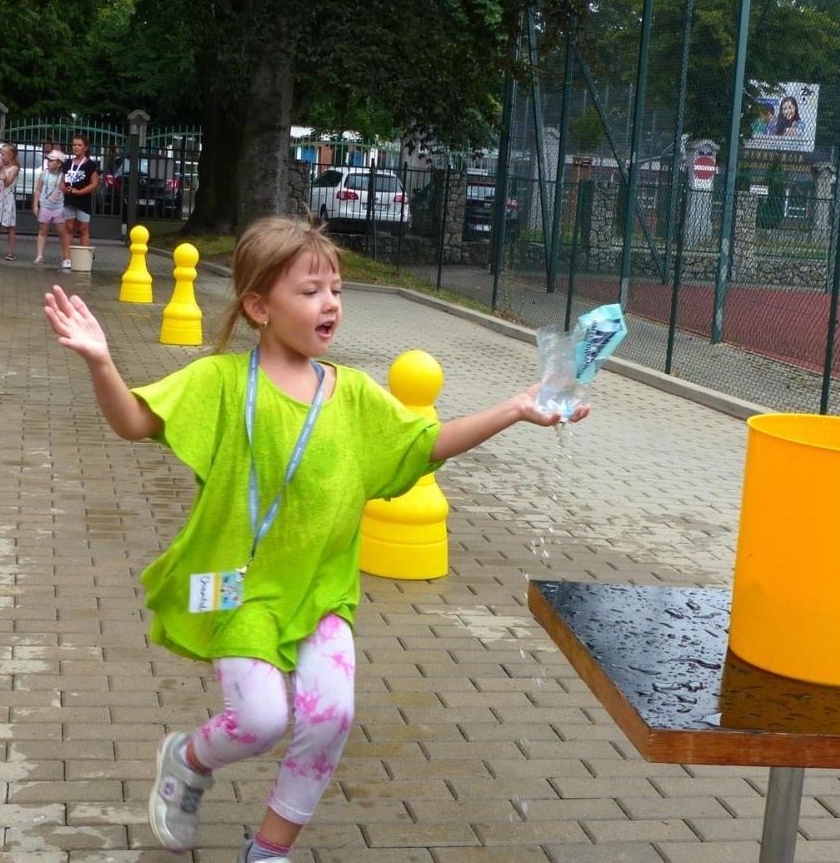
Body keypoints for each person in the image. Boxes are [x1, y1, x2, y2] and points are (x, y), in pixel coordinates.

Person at [42, 217, 589, 863]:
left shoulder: (352, 393)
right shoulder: (220, 382)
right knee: (262, 720)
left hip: (323, 591)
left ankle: (270, 850)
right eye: (309, 290)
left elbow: (422, 444)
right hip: (244, 592)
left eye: (336, 289)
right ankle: (186, 759)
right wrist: (103, 362)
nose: (329, 302)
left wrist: (514, 407)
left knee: (330, 717)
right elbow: (134, 422)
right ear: (257, 305)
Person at [59, 134, 99, 271]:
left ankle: (84, 259)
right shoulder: (68, 163)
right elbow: (62, 181)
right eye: (74, 145)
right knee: (69, 228)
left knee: (83, 229)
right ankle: (66, 258)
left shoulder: (90, 164)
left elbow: (94, 183)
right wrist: (64, 188)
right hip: (69, 199)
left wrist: (80, 192)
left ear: (85, 147)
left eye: (79, 145)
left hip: (83, 201)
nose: (76, 147)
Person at [32, 150, 66, 266]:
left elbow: (65, 190)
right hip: (45, 206)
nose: (48, 162)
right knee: (43, 230)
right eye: (48, 160)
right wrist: (35, 204)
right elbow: (38, 189)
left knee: (61, 232)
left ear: (59, 163)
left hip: (59, 207)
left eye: (52, 161)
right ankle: (39, 255)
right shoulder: (44, 174)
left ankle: (65, 257)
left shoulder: (63, 176)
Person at [0, 143, 19, 260]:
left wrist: (1, 169)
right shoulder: (3, 168)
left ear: (10, 155)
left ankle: (10, 252)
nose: (0, 156)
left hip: (8, 199)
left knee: (10, 226)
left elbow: (7, 183)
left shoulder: (14, 168)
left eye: (3, 154)